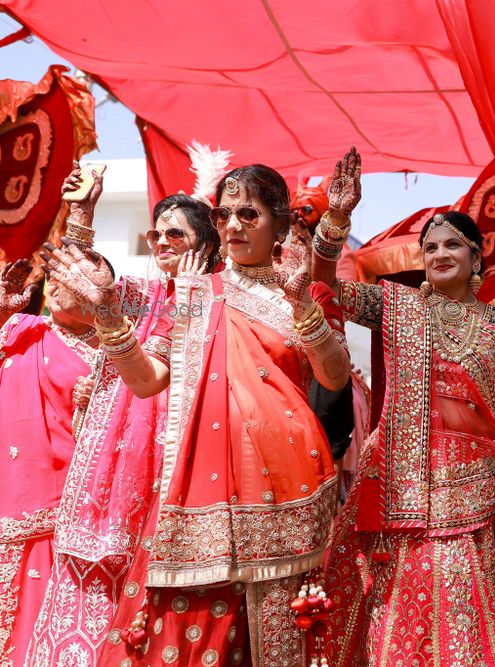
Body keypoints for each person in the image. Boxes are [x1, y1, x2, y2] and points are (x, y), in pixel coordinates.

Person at [44, 163, 351, 667]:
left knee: (283, 638)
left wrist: (301, 304)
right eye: (223, 214)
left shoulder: (301, 292)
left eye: (248, 213)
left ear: (277, 221)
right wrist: (106, 312)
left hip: (289, 491)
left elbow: (334, 376)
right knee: (188, 636)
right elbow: (147, 381)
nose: (232, 225)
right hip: (196, 496)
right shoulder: (198, 293)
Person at [311, 148, 495, 666]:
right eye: (430, 247)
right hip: (405, 482)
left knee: (465, 599)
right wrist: (337, 219)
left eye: (453, 244)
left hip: (475, 485)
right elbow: (326, 285)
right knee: (394, 597)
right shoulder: (395, 306)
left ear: (476, 259)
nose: (439, 252)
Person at [27, 172, 222, 665]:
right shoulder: (150, 293)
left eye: (174, 234)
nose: (160, 241)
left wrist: (196, 290)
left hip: (176, 445)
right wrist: (83, 213)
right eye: (155, 233)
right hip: (113, 442)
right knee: (92, 562)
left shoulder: (220, 298)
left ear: (205, 242)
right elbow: (84, 279)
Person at [0, 262, 100, 665]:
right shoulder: (22, 330)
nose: (56, 286)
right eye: (53, 278)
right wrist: (3, 310)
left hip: (65, 503)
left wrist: (95, 398)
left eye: (70, 280)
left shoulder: (114, 353)